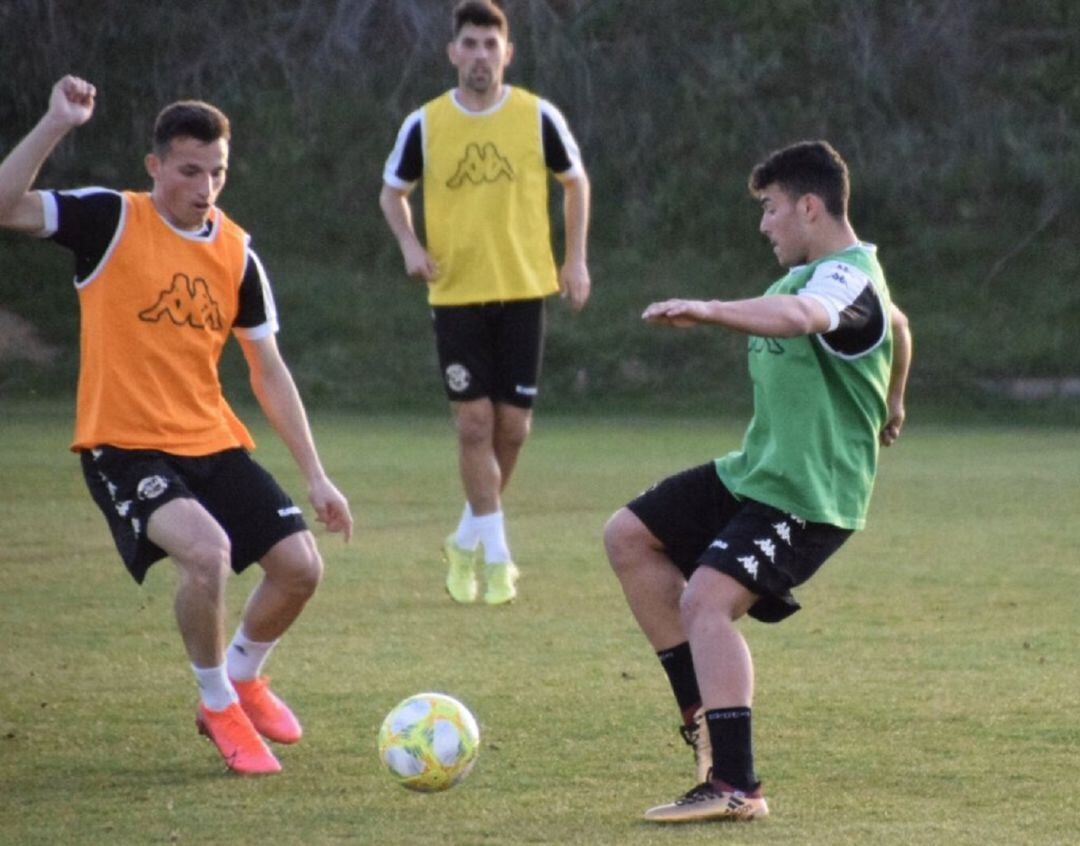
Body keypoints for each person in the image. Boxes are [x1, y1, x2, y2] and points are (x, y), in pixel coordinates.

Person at [0, 76, 354, 775]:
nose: (205, 186)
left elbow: (269, 369)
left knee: (299, 568)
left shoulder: (237, 253)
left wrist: (316, 474)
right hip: (123, 444)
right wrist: (54, 124)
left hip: (210, 440)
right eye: (190, 170)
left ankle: (247, 676)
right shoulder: (109, 218)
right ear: (155, 164)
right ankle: (216, 700)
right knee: (207, 552)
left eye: (217, 172)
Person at [604, 140, 912, 822]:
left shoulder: (843, 279)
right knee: (629, 536)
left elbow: (807, 318)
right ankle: (705, 725)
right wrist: (895, 400)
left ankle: (737, 786)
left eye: (771, 208)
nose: (764, 224)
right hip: (757, 473)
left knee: (706, 601)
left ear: (808, 207)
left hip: (809, 493)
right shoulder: (820, 279)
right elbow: (899, 324)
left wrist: (711, 308)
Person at [379, 0, 591, 606]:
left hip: (524, 289)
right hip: (455, 294)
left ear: (507, 53)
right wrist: (410, 245)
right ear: (452, 53)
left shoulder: (536, 115)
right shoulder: (425, 123)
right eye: (468, 44)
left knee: (514, 429)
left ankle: (467, 535)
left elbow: (575, 181)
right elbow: (392, 194)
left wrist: (574, 260)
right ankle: (497, 555)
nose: (479, 56)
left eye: (489, 45)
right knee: (473, 423)